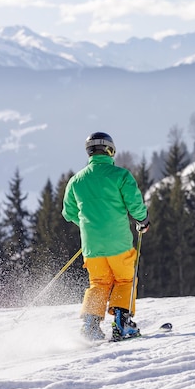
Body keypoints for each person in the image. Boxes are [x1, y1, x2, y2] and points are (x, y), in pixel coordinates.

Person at [62, 132, 151, 341]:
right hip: (118, 243)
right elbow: (135, 204)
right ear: (110, 150)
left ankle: (90, 326)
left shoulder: (76, 180)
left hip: (92, 247)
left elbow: (68, 212)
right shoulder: (120, 175)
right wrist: (143, 221)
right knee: (125, 279)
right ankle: (122, 323)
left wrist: (89, 224)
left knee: (99, 283)